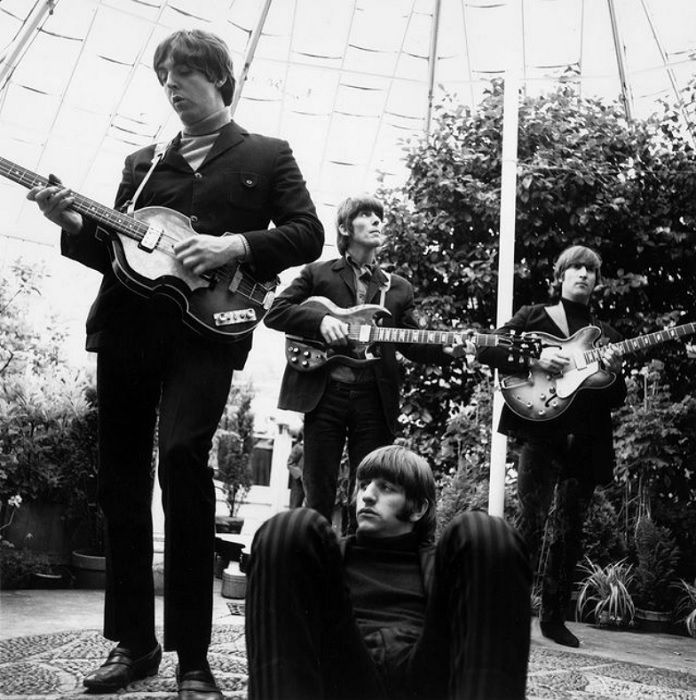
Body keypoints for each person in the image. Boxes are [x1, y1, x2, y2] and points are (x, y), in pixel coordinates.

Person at [26, 29, 323, 699]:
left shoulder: (268, 155)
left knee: (183, 462)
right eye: (163, 77)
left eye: (183, 73)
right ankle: (133, 644)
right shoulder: (143, 162)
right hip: (128, 328)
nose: (171, 86)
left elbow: (307, 232)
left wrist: (230, 246)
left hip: (206, 335)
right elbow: (114, 249)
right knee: (121, 483)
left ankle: (194, 656)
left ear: (218, 78)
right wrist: (71, 224)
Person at [245, 444, 532, 699]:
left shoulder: (444, 566)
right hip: (342, 673)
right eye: (364, 484)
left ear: (418, 508)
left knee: (485, 532)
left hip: (425, 678)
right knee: (288, 529)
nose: (367, 496)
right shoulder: (324, 557)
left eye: (386, 488)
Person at [264, 195, 465, 526]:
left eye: (379, 216)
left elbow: (413, 342)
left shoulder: (397, 288)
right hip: (325, 392)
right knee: (318, 490)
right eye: (366, 215)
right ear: (345, 227)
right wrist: (320, 322)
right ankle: (315, 564)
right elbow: (275, 310)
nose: (377, 221)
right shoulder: (318, 273)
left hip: (373, 397)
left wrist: (447, 349)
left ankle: (357, 566)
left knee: (369, 490)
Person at [477, 245, 626, 648]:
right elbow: (487, 346)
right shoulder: (534, 317)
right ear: (560, 275)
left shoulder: (605, 336)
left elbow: (617, 398)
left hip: (587, 441)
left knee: (570, 531)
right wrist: (536, 360)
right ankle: (507, 612)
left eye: (590, 270)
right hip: (541, 433)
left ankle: (554, 618)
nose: (583, 274)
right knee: (530, 523)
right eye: (575, 267)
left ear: (597, 281)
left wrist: (613, 372)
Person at [286, 430, 305, 508]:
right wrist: (300, 475)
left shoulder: (314, 448)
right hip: (299, 482)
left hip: (311, 482)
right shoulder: (298, 447)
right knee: (296, 504)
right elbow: (290, 463)